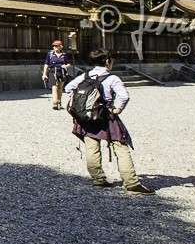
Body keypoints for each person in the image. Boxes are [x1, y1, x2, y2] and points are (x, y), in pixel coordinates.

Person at [63, 49, 153, 194]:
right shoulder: (112, 78)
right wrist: (117, 109)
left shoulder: (85, 76)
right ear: (107, 61)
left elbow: (68, 88)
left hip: (88, 117)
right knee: (121, 147)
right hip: (106, 115)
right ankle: (131, 183)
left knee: (91, 147)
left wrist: (82, 105)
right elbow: (124, 96)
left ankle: (98, 180)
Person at [42, 40, 73, 109]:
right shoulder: (50, 54)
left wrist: (66, 66)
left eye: (56, 46)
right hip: (53, 71)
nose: (54, 47)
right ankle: (55, 102)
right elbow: (46, 64)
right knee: (54, 87)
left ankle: (59, 101)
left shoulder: (64, 55)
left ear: (60, 47)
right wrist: (44, 74)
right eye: (53, 46)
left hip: (62, 72)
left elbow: (68, 63)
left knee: (60, 87)